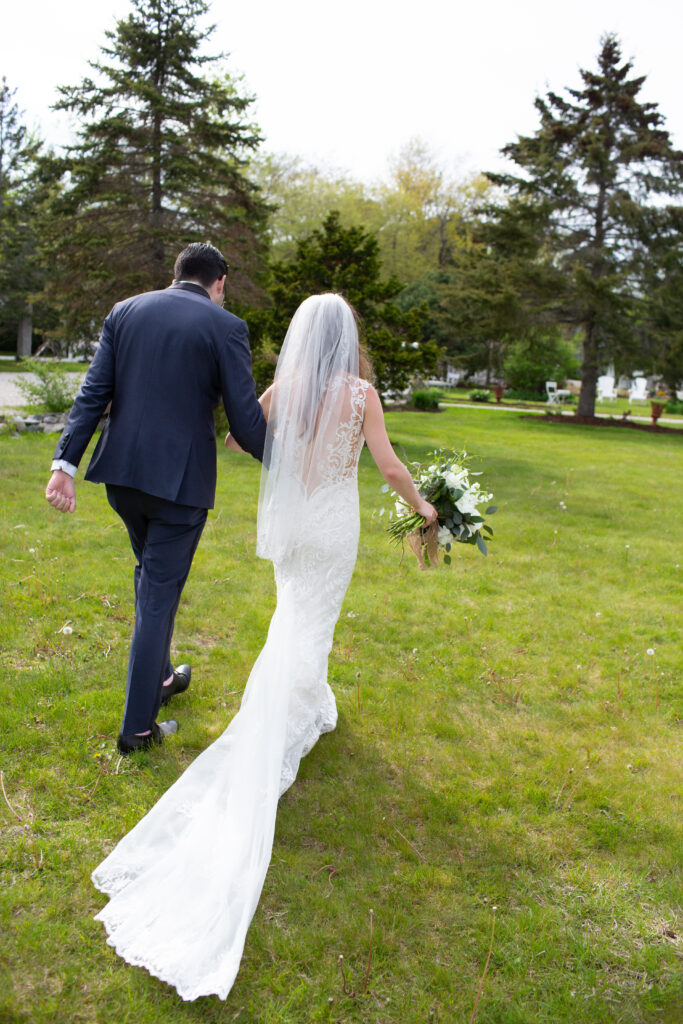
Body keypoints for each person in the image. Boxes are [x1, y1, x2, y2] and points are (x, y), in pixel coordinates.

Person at [90, 293, 437, 1001]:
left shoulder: (284, 389)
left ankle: (303, 699)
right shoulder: (361, 393)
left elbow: (239, 439)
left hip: (293, 526)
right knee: (312, 624)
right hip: (333, 525)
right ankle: (290, 710)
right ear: (350, 337)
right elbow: (388, 464)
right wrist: (425, 507)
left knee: (293, 618)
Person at [45, 242, 267, 754]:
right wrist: (288, 462)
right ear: (220, 282)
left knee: (150, 578)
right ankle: (137, 731)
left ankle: (164, 679)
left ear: (178, 274)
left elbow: (92, 392)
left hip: (122, 481)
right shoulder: (225, 326)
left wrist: (64, 467)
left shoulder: (126, 311)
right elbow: (244, 419)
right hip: (179, 489)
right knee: (156, 599)